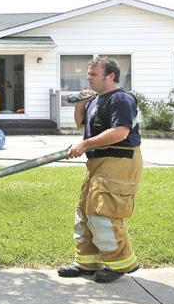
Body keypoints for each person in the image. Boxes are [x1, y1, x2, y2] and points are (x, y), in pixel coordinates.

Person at [60, 57, 142, 283]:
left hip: (119, 160)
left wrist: (84, 145)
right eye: (88, 74)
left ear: (111, 76)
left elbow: (120, 133)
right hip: (96, 163)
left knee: (104, 212)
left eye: (94, 74)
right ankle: (87, 262)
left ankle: (120, 263)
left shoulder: (120, 99)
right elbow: (80, 123)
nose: (89, 78)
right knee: (85, 211)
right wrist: (81, 103)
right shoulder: (96, 100)